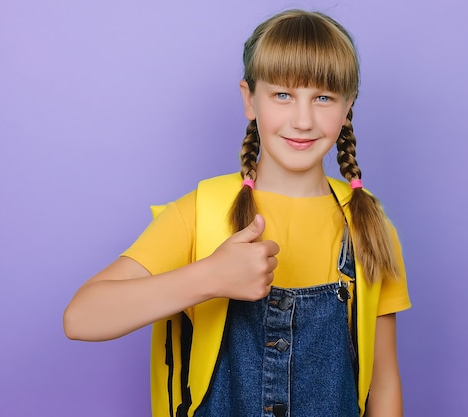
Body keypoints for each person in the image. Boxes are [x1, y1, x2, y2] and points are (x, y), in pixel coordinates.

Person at [64, 9, 411, 417]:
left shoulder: (369, 224)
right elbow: (81, 317)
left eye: (323, 98)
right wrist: (209, 277)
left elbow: (383, 383)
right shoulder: (200, 211)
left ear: (347, 105)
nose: (302, 120)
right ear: (250, 99)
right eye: (283, 95)